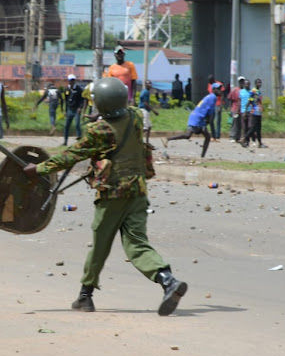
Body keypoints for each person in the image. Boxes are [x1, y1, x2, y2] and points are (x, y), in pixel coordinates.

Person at [23, 77, 187, 315]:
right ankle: (168, 280)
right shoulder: (136, 117)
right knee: (137, 245)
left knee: (100, 246)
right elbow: (119, 122)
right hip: (138, 191)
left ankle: (85, 297)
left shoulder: (97, 131)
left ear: (100, 105)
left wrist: (38, 169)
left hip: (112, 195)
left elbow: (70, 156)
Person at [163, 82, 218, 158]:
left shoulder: (209, 96)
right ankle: (167, 139)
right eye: (218, 89)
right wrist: (207, 122)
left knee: (206, 136)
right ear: (213, 90)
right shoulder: (213, 97)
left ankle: (202, 156)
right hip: (197, 118)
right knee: (188, 135)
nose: (220, 91)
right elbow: (210, 113)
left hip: (196, 116)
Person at [241, 79, 266, 148]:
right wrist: (246, 111)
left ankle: (260, 143)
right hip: (254, 112)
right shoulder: (253, 91)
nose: (259, 84)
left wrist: (261, 109)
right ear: (255, 84)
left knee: (258, 129)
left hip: (258, 112)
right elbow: (249, 101)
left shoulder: (259, 92)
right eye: (257, 83)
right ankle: (244, 139)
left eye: (260, 82)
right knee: (253, 128)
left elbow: (259, 102)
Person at [63, 74, 86, 145]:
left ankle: (79, 141)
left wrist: (80, 108)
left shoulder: (79, 89)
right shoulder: (67, 89)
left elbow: (82, 100)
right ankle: (65, 141)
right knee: (66, 125)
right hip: (70, 109)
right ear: (68, 81)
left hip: (76, 110)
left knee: (77, 125)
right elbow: (66, 100)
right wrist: (65, 110)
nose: (72, 82)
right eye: (70, 81)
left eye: (73, 81)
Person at [138, 79, 159, 144]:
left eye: (150, 84)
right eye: (148, 83)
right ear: (145, 84)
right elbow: (145, 103)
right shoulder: (146, 92)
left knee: (149, 126)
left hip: (144, 110)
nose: (150, 85)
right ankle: (138, 140)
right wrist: (154, 111)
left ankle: (147, 142)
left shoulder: (144, 91)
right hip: (144, 110)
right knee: (145, 128)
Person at [227, 76, 244, 142]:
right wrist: (230, 109)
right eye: (240, 81)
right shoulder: (235, 90)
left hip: (242, 109)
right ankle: (232, 136)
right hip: (235, 108)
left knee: (240, 124)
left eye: (242, 81)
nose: (242, 83)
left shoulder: (244, 91)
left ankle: (238, 137)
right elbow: (230, 99)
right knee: (235, 123)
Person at [238, 78, 252, 144]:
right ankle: (245, 140)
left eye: (248, 84)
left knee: (250, 126)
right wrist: (238, 110)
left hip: (250, 111)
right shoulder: (241, 92)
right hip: (243, 110)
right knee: (244, 127)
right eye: (246, 84)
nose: (247, 85)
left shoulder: (251, 92)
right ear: (244, 84)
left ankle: (246, 139)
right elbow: (239, 101)